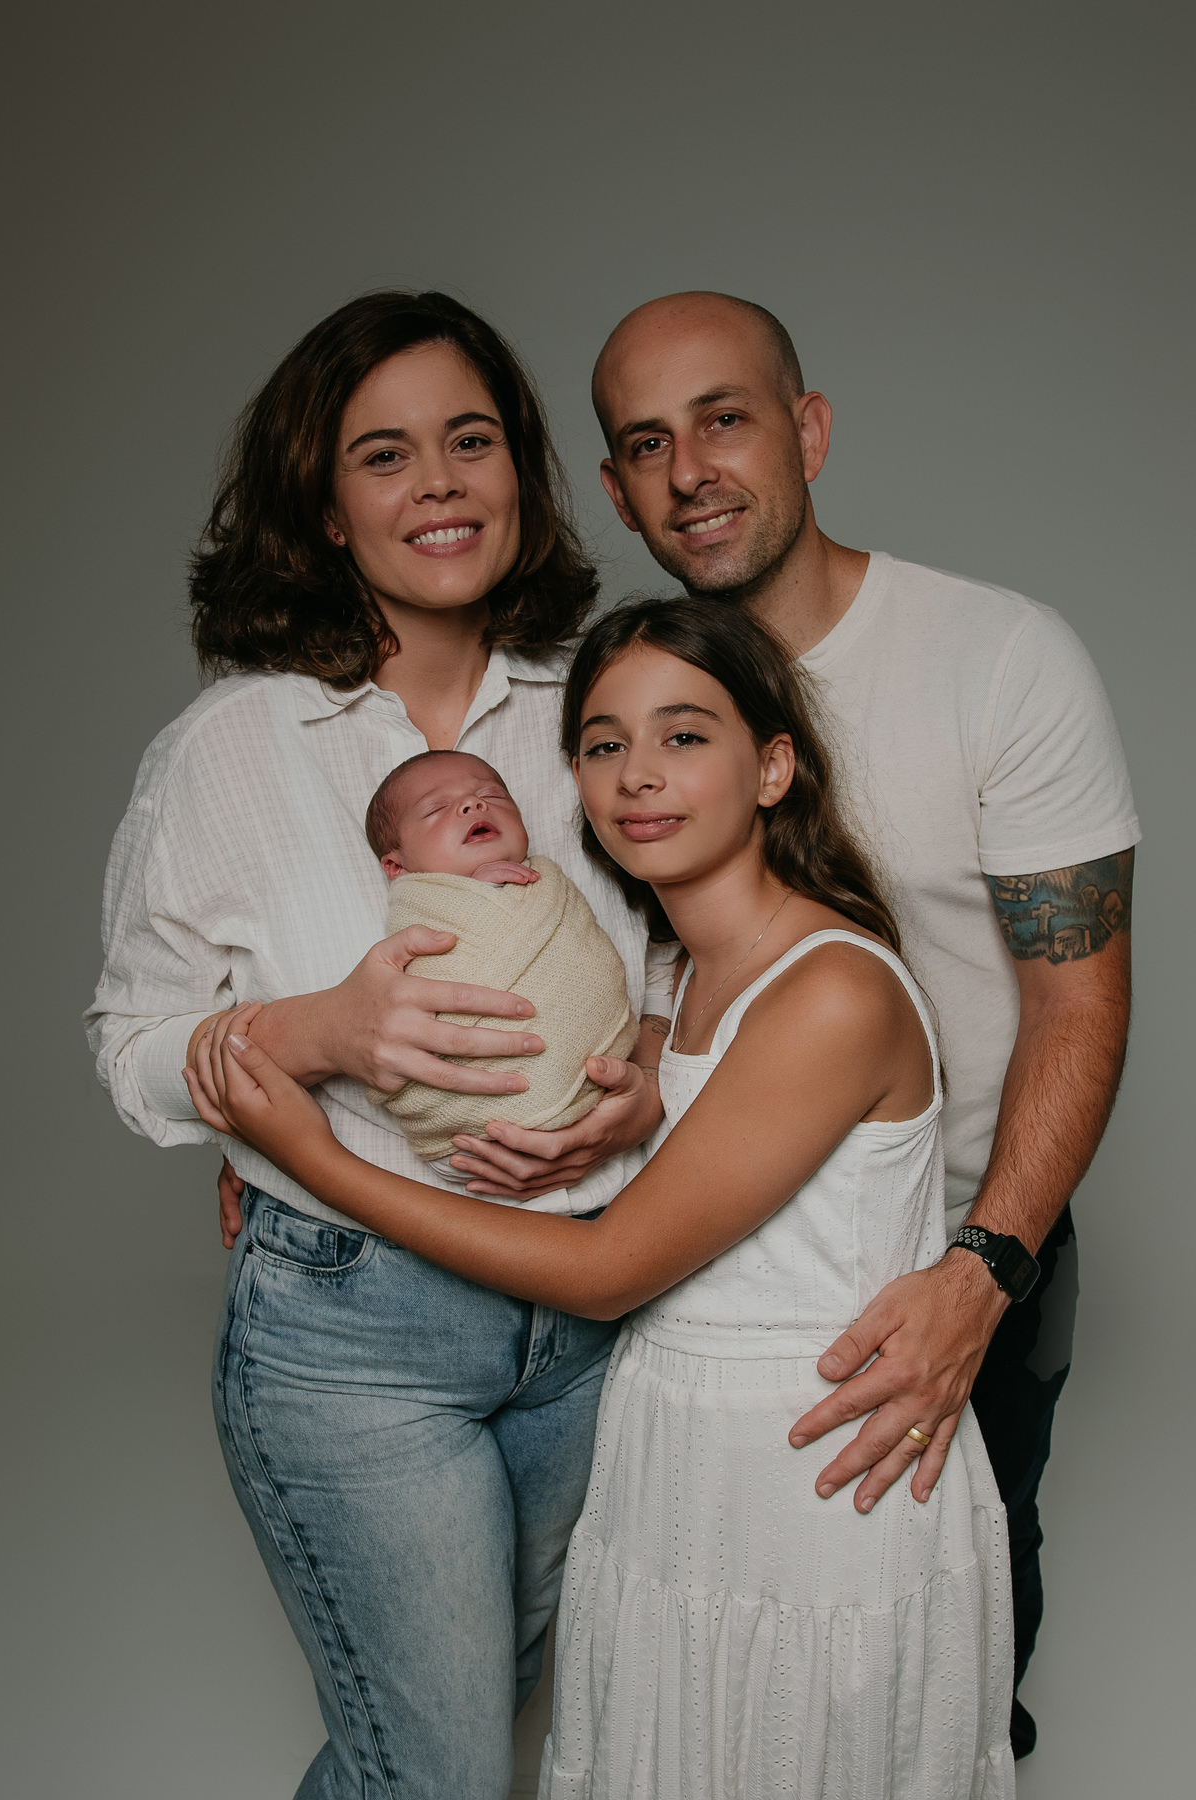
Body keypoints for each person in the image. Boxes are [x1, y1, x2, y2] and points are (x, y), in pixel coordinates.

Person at [184, 597, 1017, 1800]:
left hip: (817, 1481)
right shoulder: (683, 972)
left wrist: (310, 1159)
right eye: (604, 743)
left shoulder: (830, 991)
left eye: (685, 736)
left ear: (773, 765)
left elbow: (609, 1266)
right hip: (674, 1471)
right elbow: (613, 1060)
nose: (639, 776)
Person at [84, 290, 677, 1800]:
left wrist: (648, 1075)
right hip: (360, 1333)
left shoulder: (595, 714)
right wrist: (312, 1034)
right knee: (439, 1768)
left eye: (470, 442)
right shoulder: (234, 747)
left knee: (484, 1719)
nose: (439, 485)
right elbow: (132, 1044)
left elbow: (685, 950)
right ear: (327, 510)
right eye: (386, 454)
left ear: (520, 478)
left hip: (588, 1318)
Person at [589, 291, 1139, 1758]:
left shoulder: (1001, 658)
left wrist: (986, 1272)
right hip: (705, 1304)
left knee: (935, 1693)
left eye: (726, 418)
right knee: (707, 1707)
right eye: (647, 443)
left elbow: (1079, 999)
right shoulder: (634, 706)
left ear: (810, 431)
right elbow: (643, 994)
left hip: (957, 1264)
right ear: (614, 488)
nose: (690, 469)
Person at [361, 748, 639, 1171]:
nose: (474, 804)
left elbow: (586, 957)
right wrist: (478, 894)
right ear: (397, 866)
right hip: (465, 1135)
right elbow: (423, 984)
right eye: (437, 808)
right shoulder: (423, 906)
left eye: (492, 795)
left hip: (595, 1095)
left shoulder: (546, 885)